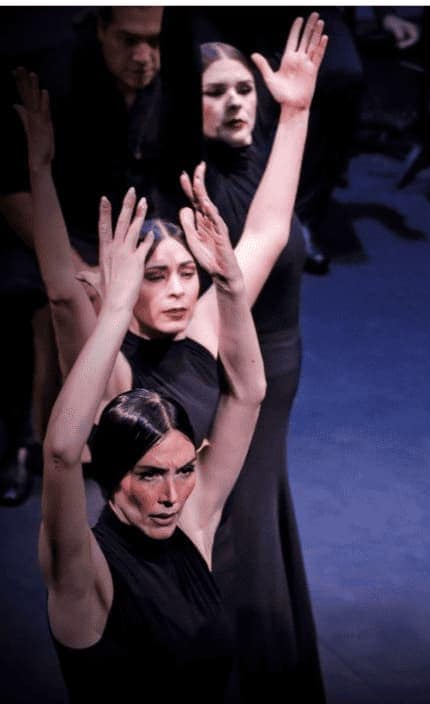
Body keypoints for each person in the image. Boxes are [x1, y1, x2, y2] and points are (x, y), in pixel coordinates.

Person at [39, 163, 266, 704]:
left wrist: (232, 284)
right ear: (112, 475)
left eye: (184, 471)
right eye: (148, 476)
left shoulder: (192, 521)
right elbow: (60, 454)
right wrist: (113, 308)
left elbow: (247, 393)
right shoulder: (81, 569)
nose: (170, 496)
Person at [15, 12, 325, 448]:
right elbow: (65, 290)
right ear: (127, 286)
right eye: (158, 275)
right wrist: (40, 172)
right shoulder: (115, 372)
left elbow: (266, 234)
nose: (180, 289)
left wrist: (296, 111)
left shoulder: (201, 341)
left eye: (187, 272)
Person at [198, 32, 330, 704]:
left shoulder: (262, 167)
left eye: (241, 88)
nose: (235, 101)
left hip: (279, 370)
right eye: (216, 91)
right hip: (231, 382)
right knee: (240, 549)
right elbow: (257, 257)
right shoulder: (198, 190)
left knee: (261, 530)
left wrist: (292, 116)